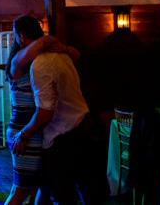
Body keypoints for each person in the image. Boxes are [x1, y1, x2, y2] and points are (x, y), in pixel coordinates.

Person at [10, 15, 100, 204]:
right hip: (36, 129)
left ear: (20, 36)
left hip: (41, 131)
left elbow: (45, 112)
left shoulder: (42, 61)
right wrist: (49, 41)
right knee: (26, 188)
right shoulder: (20, 62)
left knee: (43, 187)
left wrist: (24, 135)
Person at [4, 28, 81, 205]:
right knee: (21, 189)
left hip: (37, 131)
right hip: (25, 131)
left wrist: (62, 48)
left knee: (39, 187)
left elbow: (76, 55)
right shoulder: (19, 62)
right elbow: (45, 42)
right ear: (22, 37)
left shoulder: (37, 61)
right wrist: (56, 44)